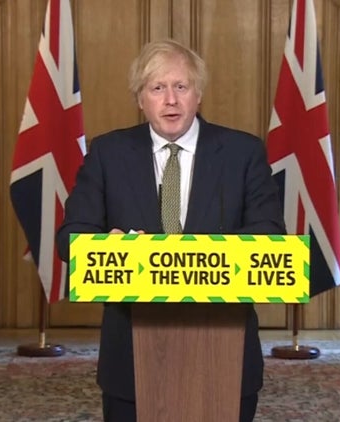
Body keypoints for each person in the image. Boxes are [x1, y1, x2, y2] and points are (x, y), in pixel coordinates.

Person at [56, 38, 286, 422]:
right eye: (157, 88)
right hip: (130, 351)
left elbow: (269, 233)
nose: (171, 100)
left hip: (224, 351)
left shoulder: (243, 153)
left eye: (181, 87)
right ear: (140, 98)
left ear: (198, 94)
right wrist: (101, 246)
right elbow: (71, 236)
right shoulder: (107, 153)